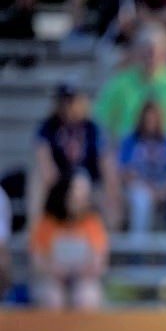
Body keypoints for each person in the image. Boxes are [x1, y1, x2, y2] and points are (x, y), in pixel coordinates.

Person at [92, 22, 166, 160]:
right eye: (146, 50)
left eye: (157, 50)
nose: (151, 55)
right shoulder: (119, 83)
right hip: (128, 154)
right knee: (107, 158)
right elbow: (101, 121)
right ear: (137, 51)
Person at [30, 82, 122, 229]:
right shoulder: (48, 126)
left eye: (71, 101)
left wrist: (111, 186)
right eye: (63, 102)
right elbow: (43, 155)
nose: (67, 106)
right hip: (58, 182)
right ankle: (35, 232)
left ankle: (111, 235)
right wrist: (62, 185)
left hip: (89, 182)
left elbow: (104, 159)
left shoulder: (92, 127)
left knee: (103, 176)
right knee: (37, 178)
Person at [29, 171, 109, 310]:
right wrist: (55, 269)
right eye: (78, 191)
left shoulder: (92, 222)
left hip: (83, 278)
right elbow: (38, 261)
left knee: (87, 297)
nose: (83, 196)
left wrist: (79, 270)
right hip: (52, 278)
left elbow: (99, 261)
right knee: (52, 298)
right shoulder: (46, 222)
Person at [118, 98, 166, 234]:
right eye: (147, 119)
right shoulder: (130, 140)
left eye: (154, 119)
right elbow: (125, 172)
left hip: (165, 188)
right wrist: (150, 190)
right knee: (141, 199)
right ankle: (138, 249)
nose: (150, 123)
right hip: (138, 187)